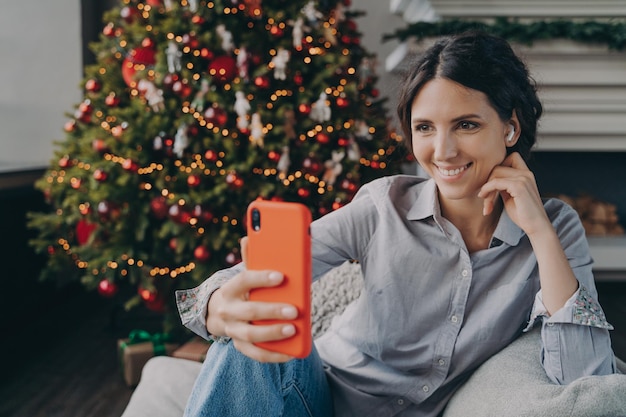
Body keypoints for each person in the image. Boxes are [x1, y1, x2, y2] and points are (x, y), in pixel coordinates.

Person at [174, 31, 618, 417]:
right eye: (424, 127)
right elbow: (249, 281)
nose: (442, 151)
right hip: (317, 399)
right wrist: (215, 307)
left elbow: (584, 379)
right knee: (251, 340)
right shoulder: (383, 206)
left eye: (465, 124)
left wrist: (539, 232)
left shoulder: (555, 228)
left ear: (510, 128)